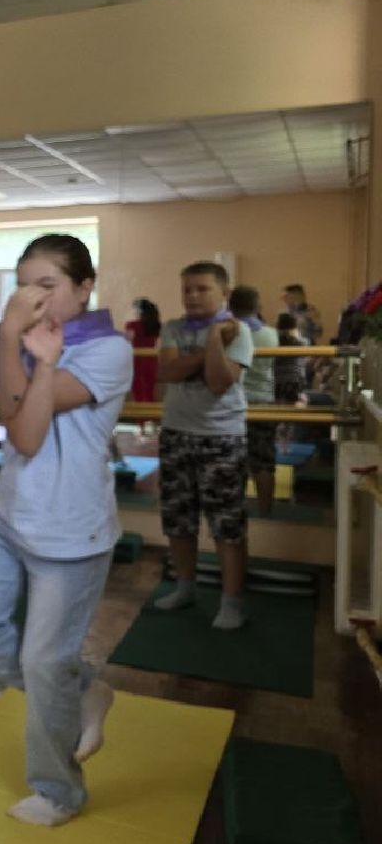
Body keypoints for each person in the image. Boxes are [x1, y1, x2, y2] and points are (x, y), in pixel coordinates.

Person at [0, 234, 131, 827]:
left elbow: (24, 434)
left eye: (48, 285)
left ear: (84, 286)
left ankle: (58, 790)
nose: (33, 298)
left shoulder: (108, 351)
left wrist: (28, 352)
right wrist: (14, 341)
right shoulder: (27, 343)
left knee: (46, 662)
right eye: (24, 285)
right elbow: (7, 411)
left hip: (72, 533)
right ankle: (84, 690)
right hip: (11, 520)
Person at [155, 262, 253, 628]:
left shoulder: (238, 331)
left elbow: (218, 381)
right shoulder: (172, 328)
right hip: (176, 433)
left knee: (227, 524)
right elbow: (168, 372)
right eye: (187, 289)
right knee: (178, 518)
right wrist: (206, 352)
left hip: (222, 437)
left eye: (202, 289)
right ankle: (185, 587)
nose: (192, 296)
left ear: (223, 293)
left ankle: (232, 602)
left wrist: (213, 338)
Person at [229, 286, 278, 517]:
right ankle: (266, 513)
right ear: (258, 306)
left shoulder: (229, 332)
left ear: (231, 307)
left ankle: (234, 511)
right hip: (264, 401)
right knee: (264, 461)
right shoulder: (270, 334)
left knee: (233, 460)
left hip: (234, 401)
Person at [124, 297, 161, 401]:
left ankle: (141, 412)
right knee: (150, 390)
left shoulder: (132, 325)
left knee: (139, 391)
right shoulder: (155, 325)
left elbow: (127, 340)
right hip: (152, 360)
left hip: (137, 360)